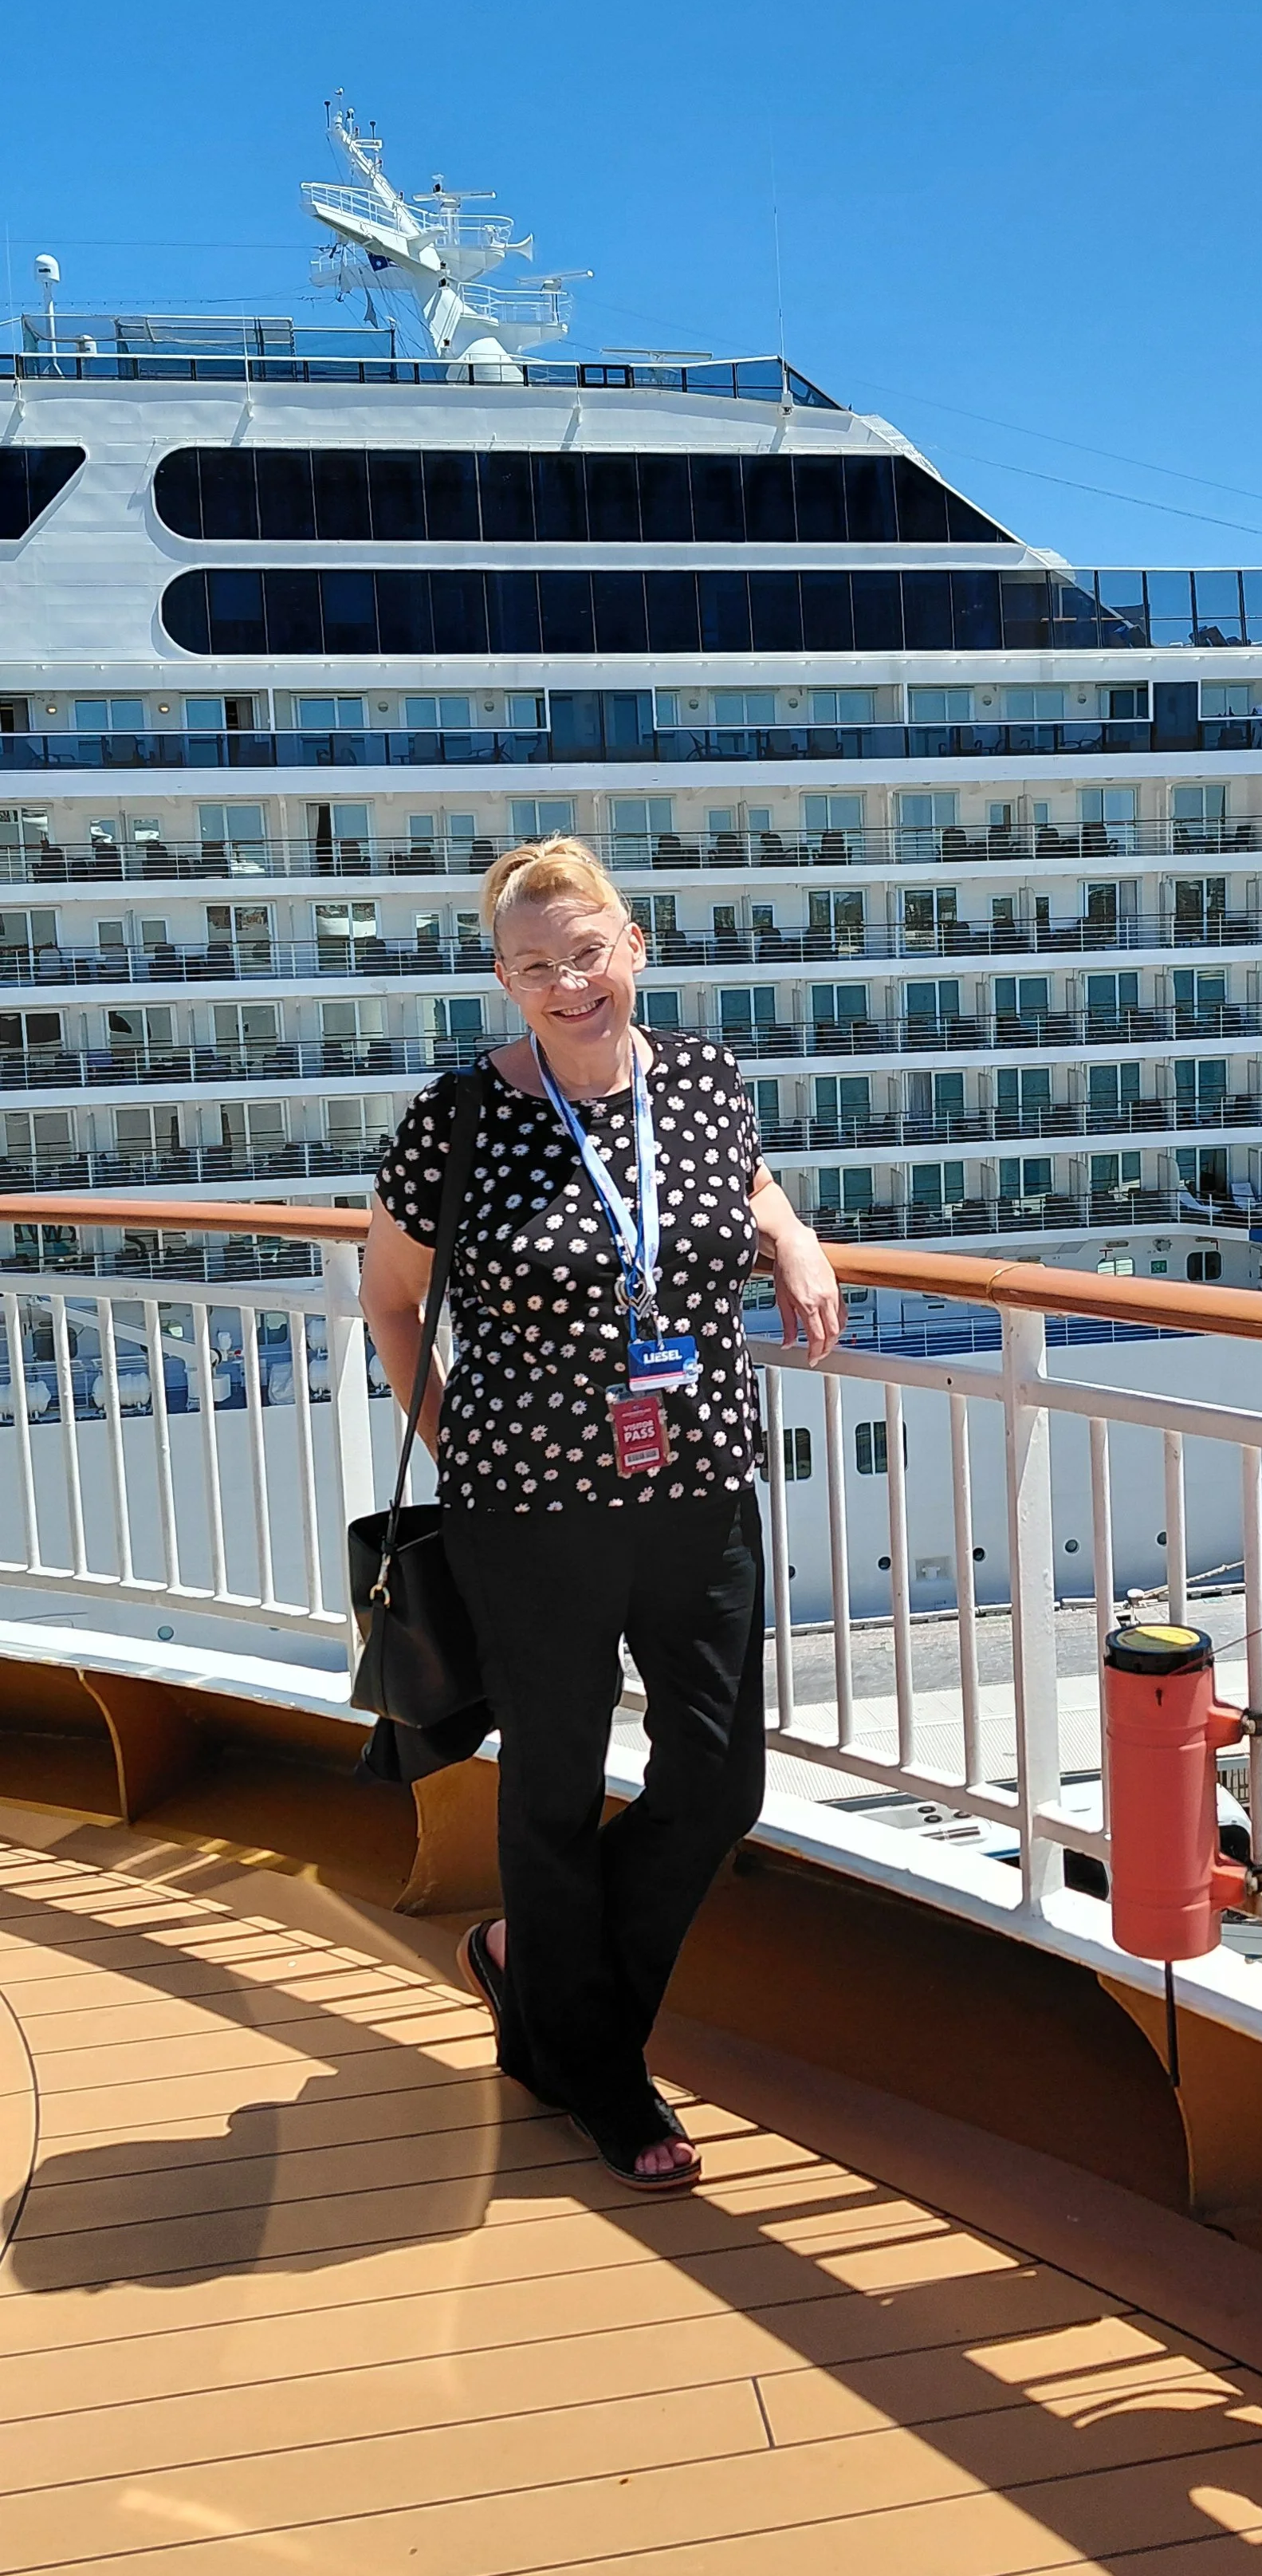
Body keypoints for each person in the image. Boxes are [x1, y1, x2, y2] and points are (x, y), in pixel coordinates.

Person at [360, 833, 842, 2189]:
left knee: (718, 1777)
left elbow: (743, 1183)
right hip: (530, 1515)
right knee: (555, 1788)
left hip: (698, 1488)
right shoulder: (458, 1118)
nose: (571, 983)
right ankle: (601, 2073)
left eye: (588, 953)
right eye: (536, 965)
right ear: (502, 981)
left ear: (635, 945)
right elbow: (391, 1302)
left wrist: (791, 1237)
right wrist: (459, 1443)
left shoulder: (703, 1079)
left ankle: (539, 1978)